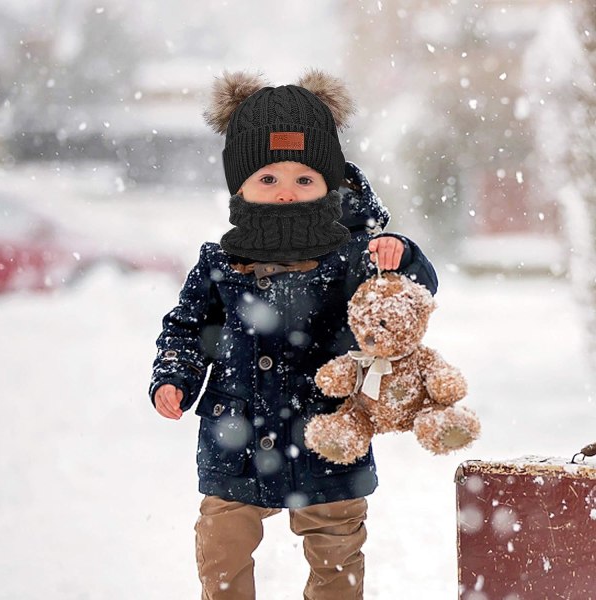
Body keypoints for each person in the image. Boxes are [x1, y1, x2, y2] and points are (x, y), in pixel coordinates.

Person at [149, 69, 438, 600]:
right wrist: (175, 376)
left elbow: (405, 301)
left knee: (337, 549)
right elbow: (187, 329)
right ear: (239, 186)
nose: (286, 193)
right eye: (268, 179)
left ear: (332, 184)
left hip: (328, 432)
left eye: (304, 180)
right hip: (235, 435)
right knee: (221, 544)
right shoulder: (221, 262)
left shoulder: (353, 253)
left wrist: (401, 255)